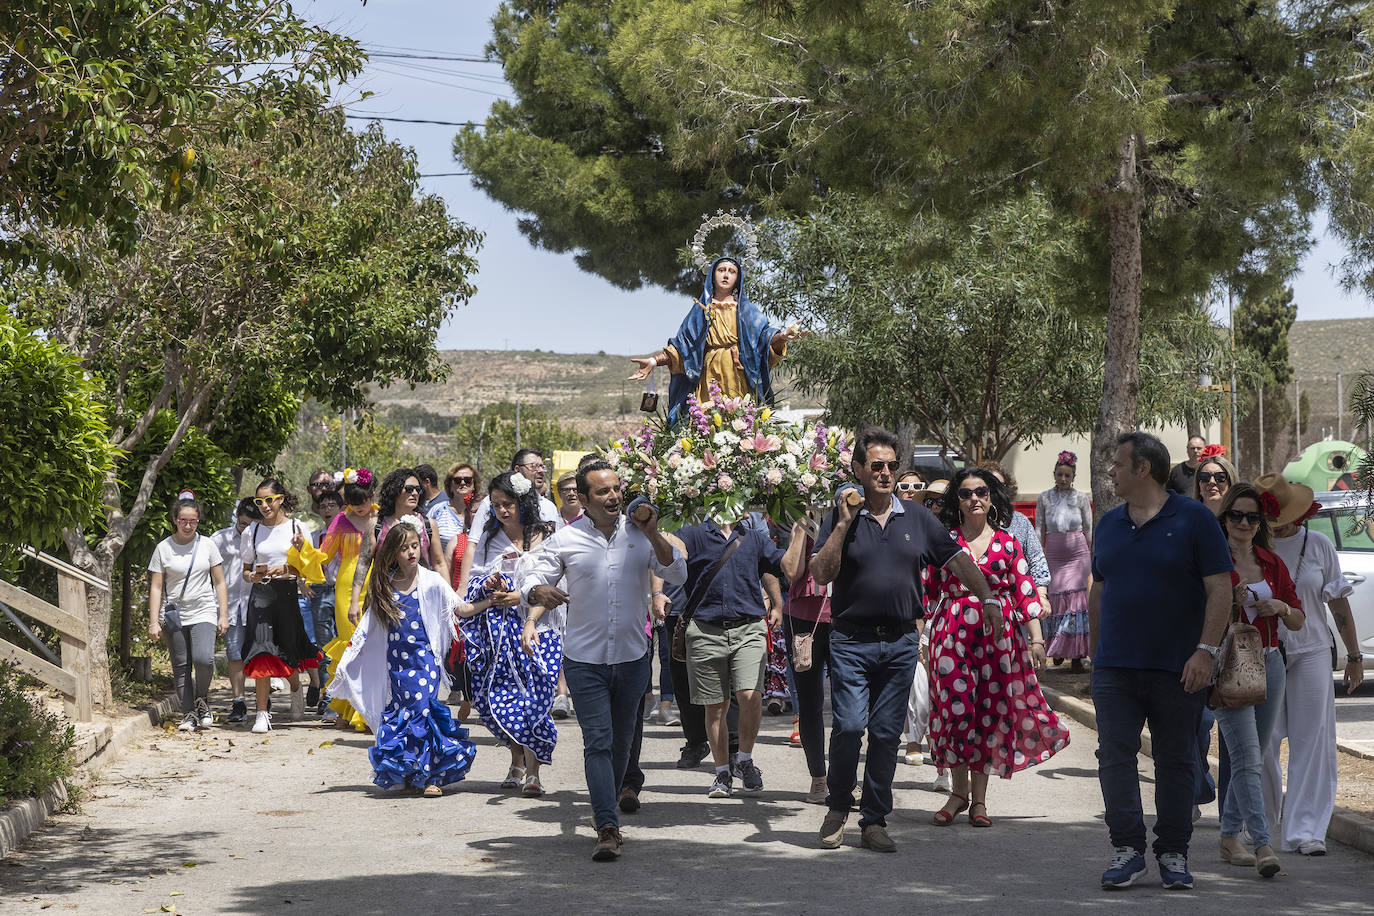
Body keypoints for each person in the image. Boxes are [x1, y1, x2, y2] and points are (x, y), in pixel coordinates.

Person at [808, 427, 1001, 854]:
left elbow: (957, 560)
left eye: (892, 465)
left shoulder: (917, 518)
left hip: (899, 643)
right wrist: (843, 523)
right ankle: (837, 809)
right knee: (849, 726)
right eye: (876, 465)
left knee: (884, 733)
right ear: (858, 469)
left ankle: (874, 821)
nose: (886, 473)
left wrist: (987, 597)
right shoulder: (841, 516)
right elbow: (821, 573)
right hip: (851, 641)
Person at [520, 460, 686, 862]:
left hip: (632, 658)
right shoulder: (566, 539)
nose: (613, 497)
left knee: (621, 744)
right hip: (584, 660)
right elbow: (533, 574)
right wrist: (537, 592)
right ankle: (607, 825)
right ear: (583, 498)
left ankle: (605, 810)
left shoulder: (640, 534)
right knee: (598, 741)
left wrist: (653, 531)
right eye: (603, 492)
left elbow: (677, 572)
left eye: (616, 489)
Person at [1090, 432, 1233, 891]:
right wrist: (1096, 654)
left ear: (1143, 469)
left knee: (1175, 761)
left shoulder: (1194, 519)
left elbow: (1220, 588)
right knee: (1114, 756)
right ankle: (1127, 850)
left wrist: (1206, 651)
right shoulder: (1108, 523)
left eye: (1118, 464)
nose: (1111, 471)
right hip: (1115, 668)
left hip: (1179, 667)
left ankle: (1173, 852)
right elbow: (1099, 589)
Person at [926, 469, 1068, 828]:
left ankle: (978, 801)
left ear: (992, 499)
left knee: (988, 716)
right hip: (951, 635)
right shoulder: (945, 542)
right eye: (966, 493)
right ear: (957, 501)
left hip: (998, 640)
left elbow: (1024, 593)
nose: (974, 498)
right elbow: (926, 591)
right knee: (956, 712)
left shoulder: (1008, 542)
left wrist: (1037, 640)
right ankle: (958, 792)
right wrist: (919, 640)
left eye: (982, 492)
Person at [327, 519, 478, 796]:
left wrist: (489, 602)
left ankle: (431, 776)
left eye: (414, 546)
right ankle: (410, 771)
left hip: (426, 662)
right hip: (396, 664)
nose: (411, 552)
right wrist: (350, 657)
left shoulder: (432, 581)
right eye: (404, 548)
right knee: (403, 716)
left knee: (423, 711)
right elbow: (368, 626)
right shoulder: (385, 585)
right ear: (393, 553)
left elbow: (460, 608)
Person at [1258, 473, 1365, 855]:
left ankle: (1305, 831)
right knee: (1263, 742)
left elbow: (1338, 604)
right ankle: (1263, 824)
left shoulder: (1318, 545)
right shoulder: (1252, 548)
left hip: (1313, 652)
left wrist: (1354, 656)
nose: (1278, 525)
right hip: (1265, 654)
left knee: (1312, 742)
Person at [1213, 483, 1306, 878]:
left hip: (1269, 662)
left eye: (1253, 517)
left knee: (1255, 753)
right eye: (1237, 515)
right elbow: (1193, 611)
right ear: (1225, 518)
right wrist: (1227, 600)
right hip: (1227, 664)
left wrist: (1281, 606)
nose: (1244, 523)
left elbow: (1298, 619)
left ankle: (1228, 835)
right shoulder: (1212, 562)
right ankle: (1262, 842)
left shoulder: (1272, 562)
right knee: (1248, 757)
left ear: (1261, 522)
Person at [675, 511, 803, 799]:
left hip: (749, 627)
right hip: (705, 629)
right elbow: (671, 555)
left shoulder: (754, 537)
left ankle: (744, 760)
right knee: (716, 706)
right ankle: (722, 772)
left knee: (750, 695)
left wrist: (799, 532)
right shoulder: (692, 533)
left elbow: (786, 569)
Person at [458, 472, 558, 797]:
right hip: (499, 632)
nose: (502, 511)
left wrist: (520, 595)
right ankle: (517, 761)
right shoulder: (490, 539)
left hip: (540, 627)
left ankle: (533, 772)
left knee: (534, 699)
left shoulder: (544, 534)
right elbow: (476, 580)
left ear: (522, 502)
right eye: (496, 505)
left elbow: (554, 579)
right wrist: (491, 584)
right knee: (503, 699)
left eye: (508, 504)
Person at [627, 255, 804, 425]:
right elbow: (683, 347)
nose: (726, 275)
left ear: (737, 279)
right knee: (707, 416)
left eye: (732, 271)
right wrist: (653, 361)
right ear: (712, 275)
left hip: (737, 372)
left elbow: (763, 339)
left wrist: (782, 336)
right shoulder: (700, 310)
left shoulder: (747, 311)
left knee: (738, 417)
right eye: (721, 270)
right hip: (709, 372)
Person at [240, 478, 327, 734]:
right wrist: (253, 576)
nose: (264, 505)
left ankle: (296, 688)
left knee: (287, 653)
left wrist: (287, 567)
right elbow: (245, 570)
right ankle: (262, 713)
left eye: (269, 500)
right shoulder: (252, 531)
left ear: (280, 499)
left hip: (287, 595)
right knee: (262, 651)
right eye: (259, 501)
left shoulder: (296, 527)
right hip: (261, 596)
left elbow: (309, 568)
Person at [148, 497, 229, 731]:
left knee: (204, 660)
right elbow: (156, 587)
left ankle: (201, 699)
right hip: (175, 613)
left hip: (203, 610)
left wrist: (223, 615)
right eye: (183, 520)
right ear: (175, 520)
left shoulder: (207, 545)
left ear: (198, 521)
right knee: (181, 665)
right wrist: (154, 621)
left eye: (193, 521)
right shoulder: (163, 548)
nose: (188, 525)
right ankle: (188, 714)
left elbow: (220, 582)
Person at [780, 519, 832, 804]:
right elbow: (791, 571)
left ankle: (845, 779)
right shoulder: (803, 523)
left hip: (845, 618)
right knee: (810, 703)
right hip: (802, 621)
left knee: (849, 704)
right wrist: (801, 527)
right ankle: (818, 778)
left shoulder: (849, 518)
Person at [352, 470, 450, 618]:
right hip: (384, 601)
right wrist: (354, 602)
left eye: (418, 489)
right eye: (409, 489)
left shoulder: (429, 525)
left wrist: (448, 597)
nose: (415, 493)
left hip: (423, 601)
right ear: (394, 491)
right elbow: (363, 563)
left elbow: (439, 563)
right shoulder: (376, 525)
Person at [1036, 451, 1094, 669]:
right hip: (1053, 555)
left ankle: (1077, 655)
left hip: (1078, 555)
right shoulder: (1043, 498)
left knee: (1077, 602)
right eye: (1059, 474)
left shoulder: (1081, 498)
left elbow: (1088, 528)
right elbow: (1039, 527)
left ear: (1073, 477)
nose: (1063, 478)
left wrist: (1092, 555)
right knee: (1056, 600)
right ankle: (1058, 648)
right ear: (1054, 474)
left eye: (1067, 475)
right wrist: (1037, 556)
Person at [210, 498, 260, 724]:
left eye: (251, 525)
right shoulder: (219, 539)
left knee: (259, 652)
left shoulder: (262, 538)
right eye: (243, 524)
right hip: (229, 605)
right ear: (237, 515)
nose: (246, 529)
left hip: (256, 602)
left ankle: (263, 700)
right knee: (234, 653)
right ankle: (238, 701)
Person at [300, 486, 344, 713]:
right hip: (321, 592)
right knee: (325, 649)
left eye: (332, 505)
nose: (327, 510)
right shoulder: (316, 537)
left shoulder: (350, 534)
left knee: (346, 645)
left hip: (345, 592)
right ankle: (328, 699)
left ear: (341, 509)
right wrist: (302, 583)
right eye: (323, 506)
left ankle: (347, 701)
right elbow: (303, 563)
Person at [550, 470, 580, 720]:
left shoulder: (591, 520)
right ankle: (561, 694)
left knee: (578, 641)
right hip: (558, 589)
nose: (570, 493)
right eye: (565, 490)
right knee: (559, 639)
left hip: (583, 590)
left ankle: (580, 692)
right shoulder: (552, 520)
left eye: (574, 489)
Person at [470, 450, 561, 528]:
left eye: (542, 467)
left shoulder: (549, 506)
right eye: (534, 466)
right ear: (517, 469)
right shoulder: (489, 503)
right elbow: (475, 540)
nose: (541, 471)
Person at [1192, 445, 1238, 515]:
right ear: (1198, 483)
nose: (1212, 481)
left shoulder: (1242, 517)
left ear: (1230, 482)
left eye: (1220, 477)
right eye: (1205, 477)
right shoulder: (1187, 517)